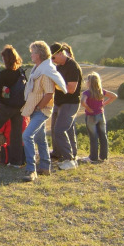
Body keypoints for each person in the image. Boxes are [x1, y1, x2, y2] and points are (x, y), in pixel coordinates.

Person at [21, 41, 67, 182]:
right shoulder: (38, 69)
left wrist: (39, 107)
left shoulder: (45, 72)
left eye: (33, 52)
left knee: (27, 136)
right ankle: (45, 167)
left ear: (39, 54)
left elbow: (49, 93)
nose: (31, 55)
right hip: (36, 108)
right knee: (40, 139)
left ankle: (31, 169)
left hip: (42, 110)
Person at [50, 42, 83, 171]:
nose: (52, 61)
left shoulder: (72, 66)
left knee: (60, 130)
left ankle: (69, 159)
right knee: (61, 129)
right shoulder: (59, 66)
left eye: (53, 58)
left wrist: (55, 84)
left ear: (60, 53)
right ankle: (60, 154)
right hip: (59, 102)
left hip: (70, 103)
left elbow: (71, 89)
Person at [79, 72, 117, 163]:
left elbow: (82, 102)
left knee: (93, 137)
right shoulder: (101, 91)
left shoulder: (87, 92)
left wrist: (88, 108)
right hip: (101, 115)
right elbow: (114, 96)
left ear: (89, 82)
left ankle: (93, 157)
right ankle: (103, 156)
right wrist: (103, 104)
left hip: (91, 116)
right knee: (103, 136)